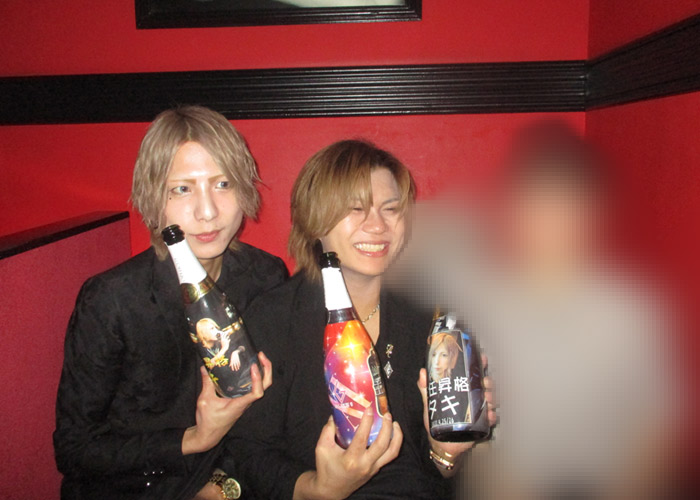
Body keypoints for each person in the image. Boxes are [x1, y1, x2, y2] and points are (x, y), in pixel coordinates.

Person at [225, 139, 496, 499]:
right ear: (315, 221)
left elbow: (440, 471)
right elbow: (249, 452)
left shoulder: (428, 315)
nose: (378, 225)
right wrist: (319, 490)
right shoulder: (273, 317)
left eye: (390, 209)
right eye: (356, 209)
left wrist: (446, 450)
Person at [53, 106, 287, 500]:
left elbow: (270, 414)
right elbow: (74, 450)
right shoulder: (111, 299)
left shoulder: (265, 276)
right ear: (153, 197)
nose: (207, 212)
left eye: (223, 184)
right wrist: (195, 439)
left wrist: (223, 485)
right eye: (182, 189)